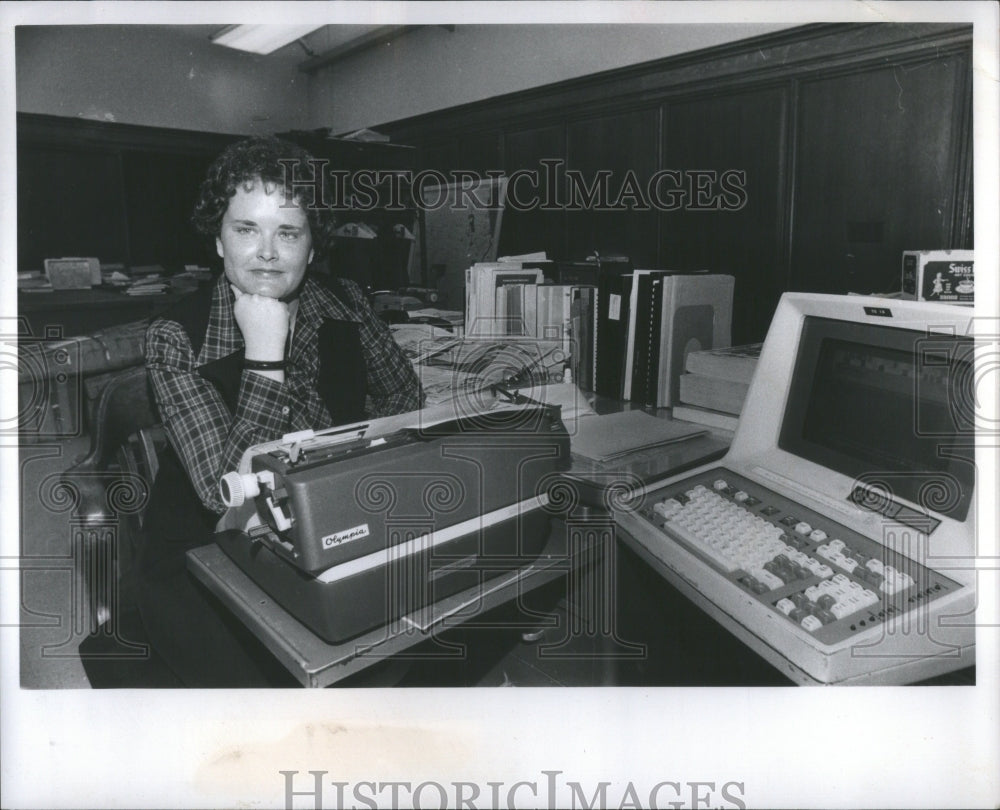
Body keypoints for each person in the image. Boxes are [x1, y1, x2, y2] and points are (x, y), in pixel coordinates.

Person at [132, 136, 423, 686]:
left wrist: (337, 467)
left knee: (403, 635)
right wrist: (265, 356)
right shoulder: (176, 336)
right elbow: (227, 492)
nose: (267, 251)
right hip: (205, 557)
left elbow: (405, 402)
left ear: (312, 248)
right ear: (219, 240)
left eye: (287, 232)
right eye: (246, 229)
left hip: (332, 516)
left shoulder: (347, 304)